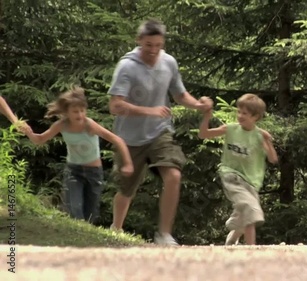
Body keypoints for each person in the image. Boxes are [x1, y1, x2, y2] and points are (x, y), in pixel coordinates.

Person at [107, 18, 213, 246]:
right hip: (130, 138)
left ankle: (164, 235)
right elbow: (115, 105)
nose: (153, 50)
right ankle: (115, 229)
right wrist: (149, 110)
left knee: (174, 174)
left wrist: (198, 105)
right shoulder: (127, 66)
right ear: (139, 41)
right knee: (126, 190)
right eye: (148, 45)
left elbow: (180, 95)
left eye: (158, 45)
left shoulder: (169, 63)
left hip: (160, 132)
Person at [24, 86, 134, 223]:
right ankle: (75, 236)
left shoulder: (90, 125)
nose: (80, 115)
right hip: (73, 171)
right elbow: (40, 139)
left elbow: (117, 140)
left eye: (82, 111)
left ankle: (85, 240)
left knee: (90, 215)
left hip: (94, 173)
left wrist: (128, 163)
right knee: (74, 209)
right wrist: (29, 132)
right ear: (66, 113)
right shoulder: (61, 125)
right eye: (75, 112)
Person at [198, 93, 279, 245]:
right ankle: (251, 249)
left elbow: (273, 159)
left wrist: (268, 142)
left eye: (245, 113)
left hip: (251, 182)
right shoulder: (231, 129)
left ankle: (233, 237)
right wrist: (206, 117)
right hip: (231, 175)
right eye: (239, 112)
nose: (240, 116)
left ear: (255, 117)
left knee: (246, 213)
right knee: (250, 209)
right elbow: (203, 134)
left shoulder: (259, 136)